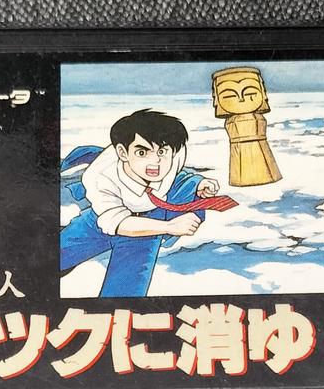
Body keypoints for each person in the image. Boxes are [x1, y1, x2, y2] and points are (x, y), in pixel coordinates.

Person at [60, 109, 221, 297]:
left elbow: (177, 176)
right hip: (101, 218)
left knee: (123, 296)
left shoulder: (173, 156)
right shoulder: (101, 178)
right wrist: (170, 226)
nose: (155, 162)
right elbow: (120, 223)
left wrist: (199, 184)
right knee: (48, 260)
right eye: (142, 152)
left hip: (148, 225)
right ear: (123, 152)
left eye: (162, 151)